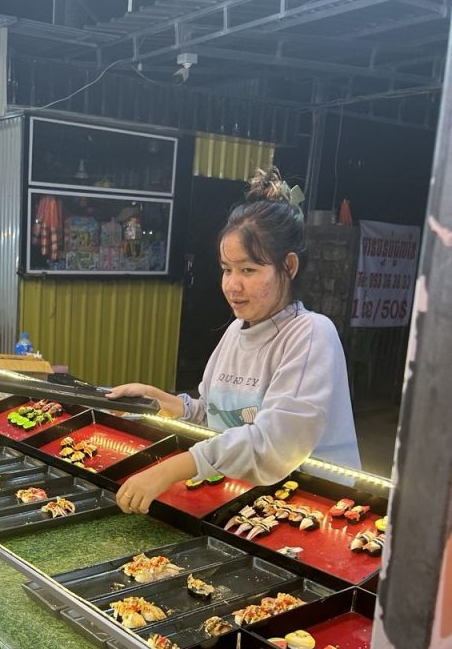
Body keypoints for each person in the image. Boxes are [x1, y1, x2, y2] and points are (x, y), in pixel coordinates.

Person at [108, 166, 360, 516]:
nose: (232, 285)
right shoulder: (236, 330)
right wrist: (159, 400)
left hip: (318, 512)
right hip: (250, 505)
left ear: (288, 266)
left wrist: (173, 468)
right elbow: (215, 416)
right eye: (227, 269)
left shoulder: (311, 334)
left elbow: (272, 447)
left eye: (248, 270)